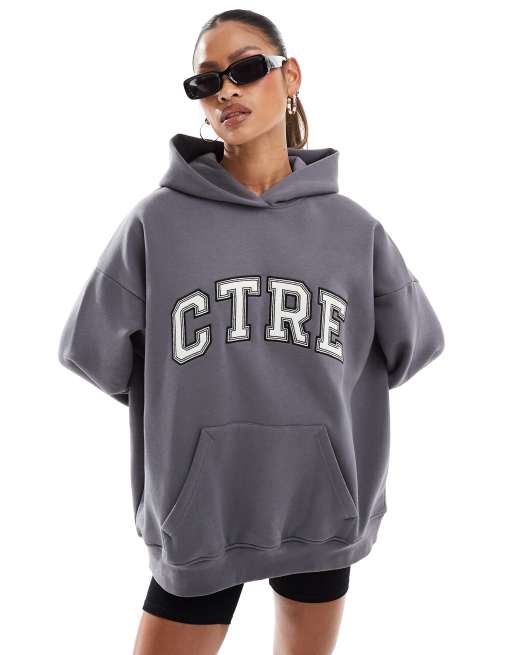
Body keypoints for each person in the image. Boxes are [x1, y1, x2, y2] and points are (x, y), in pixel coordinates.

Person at [57, 9, 445, 655]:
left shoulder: (354, 230)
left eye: (245, 68)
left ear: (289, 77)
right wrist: (190, 405)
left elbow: (413, 347)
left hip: (319, 508)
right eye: (206, 80)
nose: (226, 91)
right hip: (200, 514)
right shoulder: (157, 224)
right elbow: (92, 352)